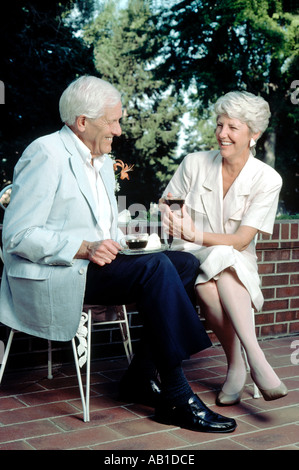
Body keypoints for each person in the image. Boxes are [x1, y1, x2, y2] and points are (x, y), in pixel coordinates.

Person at [0, 75, 236, 433]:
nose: (120, 130)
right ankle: (177, 394)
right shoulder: (46, 153)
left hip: (95, 265)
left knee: (185, 262)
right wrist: (83, 247)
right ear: (82, 122)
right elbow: (17, 235)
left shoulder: (101, 163)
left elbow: (104, 231)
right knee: (156, 269)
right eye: (113, 121)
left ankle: (141, 375)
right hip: (63, 268)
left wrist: (124, 242)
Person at [161, 91, 288, 406]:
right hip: (189, 253)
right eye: (219, 125)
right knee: (213, 261)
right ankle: (255, 357)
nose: (222, 134)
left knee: (208, 284)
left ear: (253, 134)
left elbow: (242, 241)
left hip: (235, 262)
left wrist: (195, 231)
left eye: (232, 127)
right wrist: (173, 214)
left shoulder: (268, 179)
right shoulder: (194, 162)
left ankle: (236, 364)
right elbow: (170, 203)